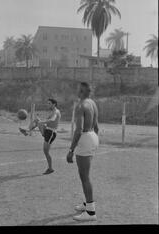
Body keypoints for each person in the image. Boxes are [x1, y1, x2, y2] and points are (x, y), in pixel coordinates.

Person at [66, 82, 99, 221]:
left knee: (84, 177)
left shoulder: (80, 106)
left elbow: (78, 130)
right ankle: (87, 204)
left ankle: (91, 212)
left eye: (78, 89)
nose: (76, 90)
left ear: (81, 91)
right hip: (92, 136)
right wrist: (93, 140)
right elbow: (96, 126)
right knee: (85, 175)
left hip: (85, 138)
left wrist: (71, 150)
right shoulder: (92, 103)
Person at [19, 98, 61, 175]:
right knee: (36, 120)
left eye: (49, 103)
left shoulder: (56, 112)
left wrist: (42, 122)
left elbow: (52, 120)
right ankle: (27, 131)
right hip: (47, 131)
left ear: (54, 104)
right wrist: (41, 122)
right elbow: (47, 122)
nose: (47, 104)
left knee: (46, 151)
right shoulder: (52, 112)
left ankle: (50, 168)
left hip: (51, 133)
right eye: (47, 103)